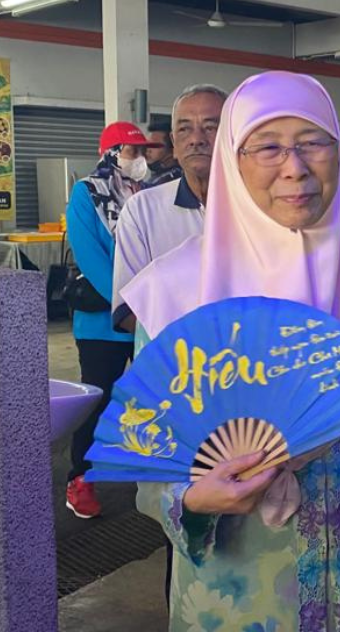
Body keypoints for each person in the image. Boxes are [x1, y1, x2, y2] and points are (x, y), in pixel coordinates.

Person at [120, 71, 340, 630]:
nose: (294, 167)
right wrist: (191, 499)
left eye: (313, 142)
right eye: (268, 146)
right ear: (232, 161)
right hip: (235, 599)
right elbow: (144, 445)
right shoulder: (174, 294)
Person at [64, 120, 161, 518]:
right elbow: (91, 257)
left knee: (150, 401)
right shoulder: (87, 193)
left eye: (143, 152)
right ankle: (80, 479)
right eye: (133, 151)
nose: (140, 159)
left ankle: (150, 475)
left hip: (149, 319)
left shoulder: (150, 193)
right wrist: (130, 309)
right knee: (98, 401)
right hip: (105, 324)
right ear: (112, 152)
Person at [112, 84, 228, 332]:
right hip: (174, 364)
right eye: (185, 129)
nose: (196, 139)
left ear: (234, 135)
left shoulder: (263, 208)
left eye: (211, 127)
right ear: (174, 143)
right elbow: (127, 310)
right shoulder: (141, 210)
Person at [144, 121, 183, 187]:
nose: (148, 150)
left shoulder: (172, 180)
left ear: (172, 149)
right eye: (147, 145)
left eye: (155, 145)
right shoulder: (158, 176)